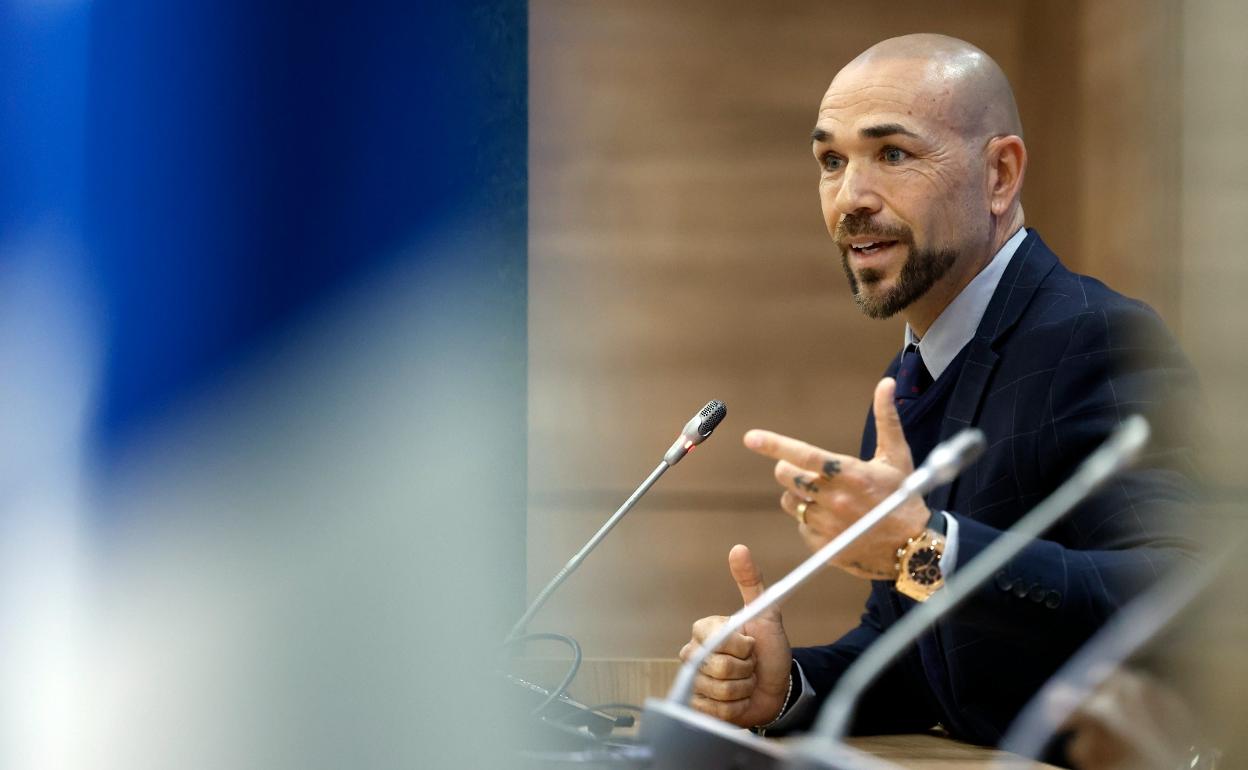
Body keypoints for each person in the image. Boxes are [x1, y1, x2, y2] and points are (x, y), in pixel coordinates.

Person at [679, 33, 1202, 747]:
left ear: (999, 174)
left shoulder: (1097, 338)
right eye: (831, 161)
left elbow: (1183, 595)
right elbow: (918, 659)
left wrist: (929, 551)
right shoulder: (909, 380)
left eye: (892, 154)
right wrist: (785, 688)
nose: (850, 200)